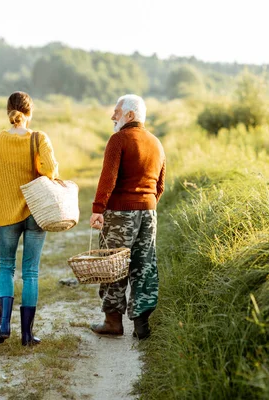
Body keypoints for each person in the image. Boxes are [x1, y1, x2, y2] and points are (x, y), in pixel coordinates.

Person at [0, 91, 59, 345]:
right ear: (29, 112)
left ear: (8, 112)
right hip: (36, 211)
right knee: (31, 272)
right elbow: (50, 170)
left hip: (6, 213)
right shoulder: (39, 138)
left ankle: (3, 325)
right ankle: (27, 334)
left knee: (6, 267)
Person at [89, 94, 166, 340]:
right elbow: (160, 185)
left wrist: (98, 209)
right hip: (149, 212)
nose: (113, 116)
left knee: (114, 265)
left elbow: (108, 179)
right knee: (144, 266)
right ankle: (142, 325)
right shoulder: (156, 143)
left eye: (116, 111)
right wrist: (146, 206)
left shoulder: (118, 139)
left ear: (130, 115)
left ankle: (113, 322)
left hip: (120, 213)